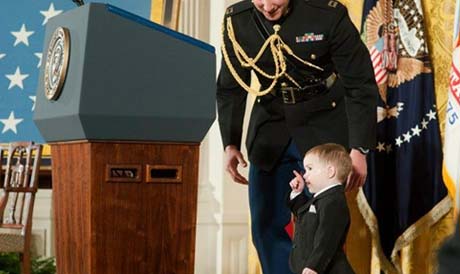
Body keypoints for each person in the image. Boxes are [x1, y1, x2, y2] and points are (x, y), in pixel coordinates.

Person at [216, 0, 378, 273]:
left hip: (323, 124)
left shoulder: (327, 13)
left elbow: (360, 83)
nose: (267, 7)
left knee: (324, 229)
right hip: (271, 129)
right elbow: (230, 88)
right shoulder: (237, 21)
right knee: (265, 225)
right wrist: (230, 142)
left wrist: (359, 149)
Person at [287, 143, 354, 274]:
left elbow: (327, 238)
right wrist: (297, 192)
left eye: (309, 169)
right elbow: (303, 214)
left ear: (330, 172)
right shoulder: (321, 199)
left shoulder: (334, 202)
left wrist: (314, 266)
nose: (304, 175)